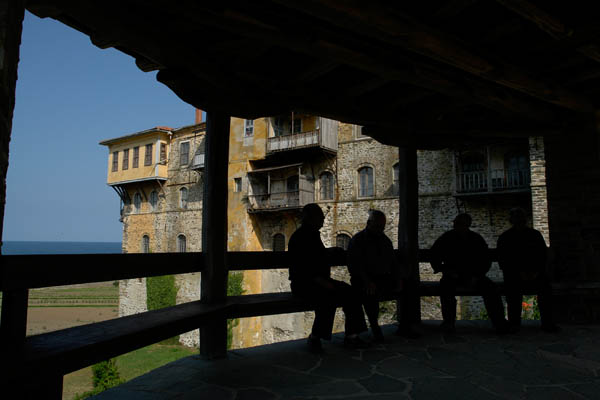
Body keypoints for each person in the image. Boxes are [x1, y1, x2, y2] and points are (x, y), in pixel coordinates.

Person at [289, 203, 369, 353]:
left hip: (316, 282)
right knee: (329, 297)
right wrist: (327, 284)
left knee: (350, 292)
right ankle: (315, 338)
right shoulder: (301, 237)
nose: (323, 220)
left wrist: (329, 252)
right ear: (310, 219)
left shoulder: (310, 235)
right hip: (305, 285)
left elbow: (316, 256)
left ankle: (351, 335)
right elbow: (305, 269)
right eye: (320, 217)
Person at [430, 213, 509, 334]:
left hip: (474, 275)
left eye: (459, 223)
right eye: (456, 223)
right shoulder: (447, 238)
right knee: (446, 288)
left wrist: (477, 276)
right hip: (453, 275)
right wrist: (444, 270)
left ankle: (499, 322)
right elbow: (434, 254)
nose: (456, 225)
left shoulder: (476, 239)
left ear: (466, 225)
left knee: (491, 288)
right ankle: (449, 322)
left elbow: (485, 260)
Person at [348, 210, 419, 342]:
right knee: (369, 292)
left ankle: (406, 325)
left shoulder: (385, 241)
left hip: (382, 278)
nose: (380, 229)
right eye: (378, 226)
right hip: (363, 280)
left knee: (410, 286)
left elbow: (393, 263)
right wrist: (367, 281)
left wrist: (398, 279)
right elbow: (355, 266)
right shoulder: (357, 240)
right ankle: (374, 326)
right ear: (369, 223)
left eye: (382, 227)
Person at [497, 207, 560, 333]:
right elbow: (504, 260)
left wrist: (535, 272)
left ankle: (547, 322)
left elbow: (542, 256)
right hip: (515, 275)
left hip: (535, 274)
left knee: (545, 287)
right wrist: (520, 273)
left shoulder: (534, 235)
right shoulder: (506, 237)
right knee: (513, 288)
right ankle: (514, 323)